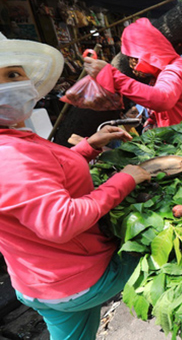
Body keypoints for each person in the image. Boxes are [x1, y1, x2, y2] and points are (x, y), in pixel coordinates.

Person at [0, 32, 151, 340]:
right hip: (77, 279)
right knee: (163, 249)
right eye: (11, 76)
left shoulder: (13, 140)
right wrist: (126, 179)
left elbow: (39, 179)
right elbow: (62, 221)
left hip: (39, 281)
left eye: (18, 73)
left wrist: (87, 147)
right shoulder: (9, 154)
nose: (22, 83)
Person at [84, 18, 182, 127]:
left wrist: (113, 76)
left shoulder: (174, 70)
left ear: (146, 52)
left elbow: (162, 99)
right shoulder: (161, 73)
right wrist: (153, 119)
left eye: (133, 57)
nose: (131, 63)